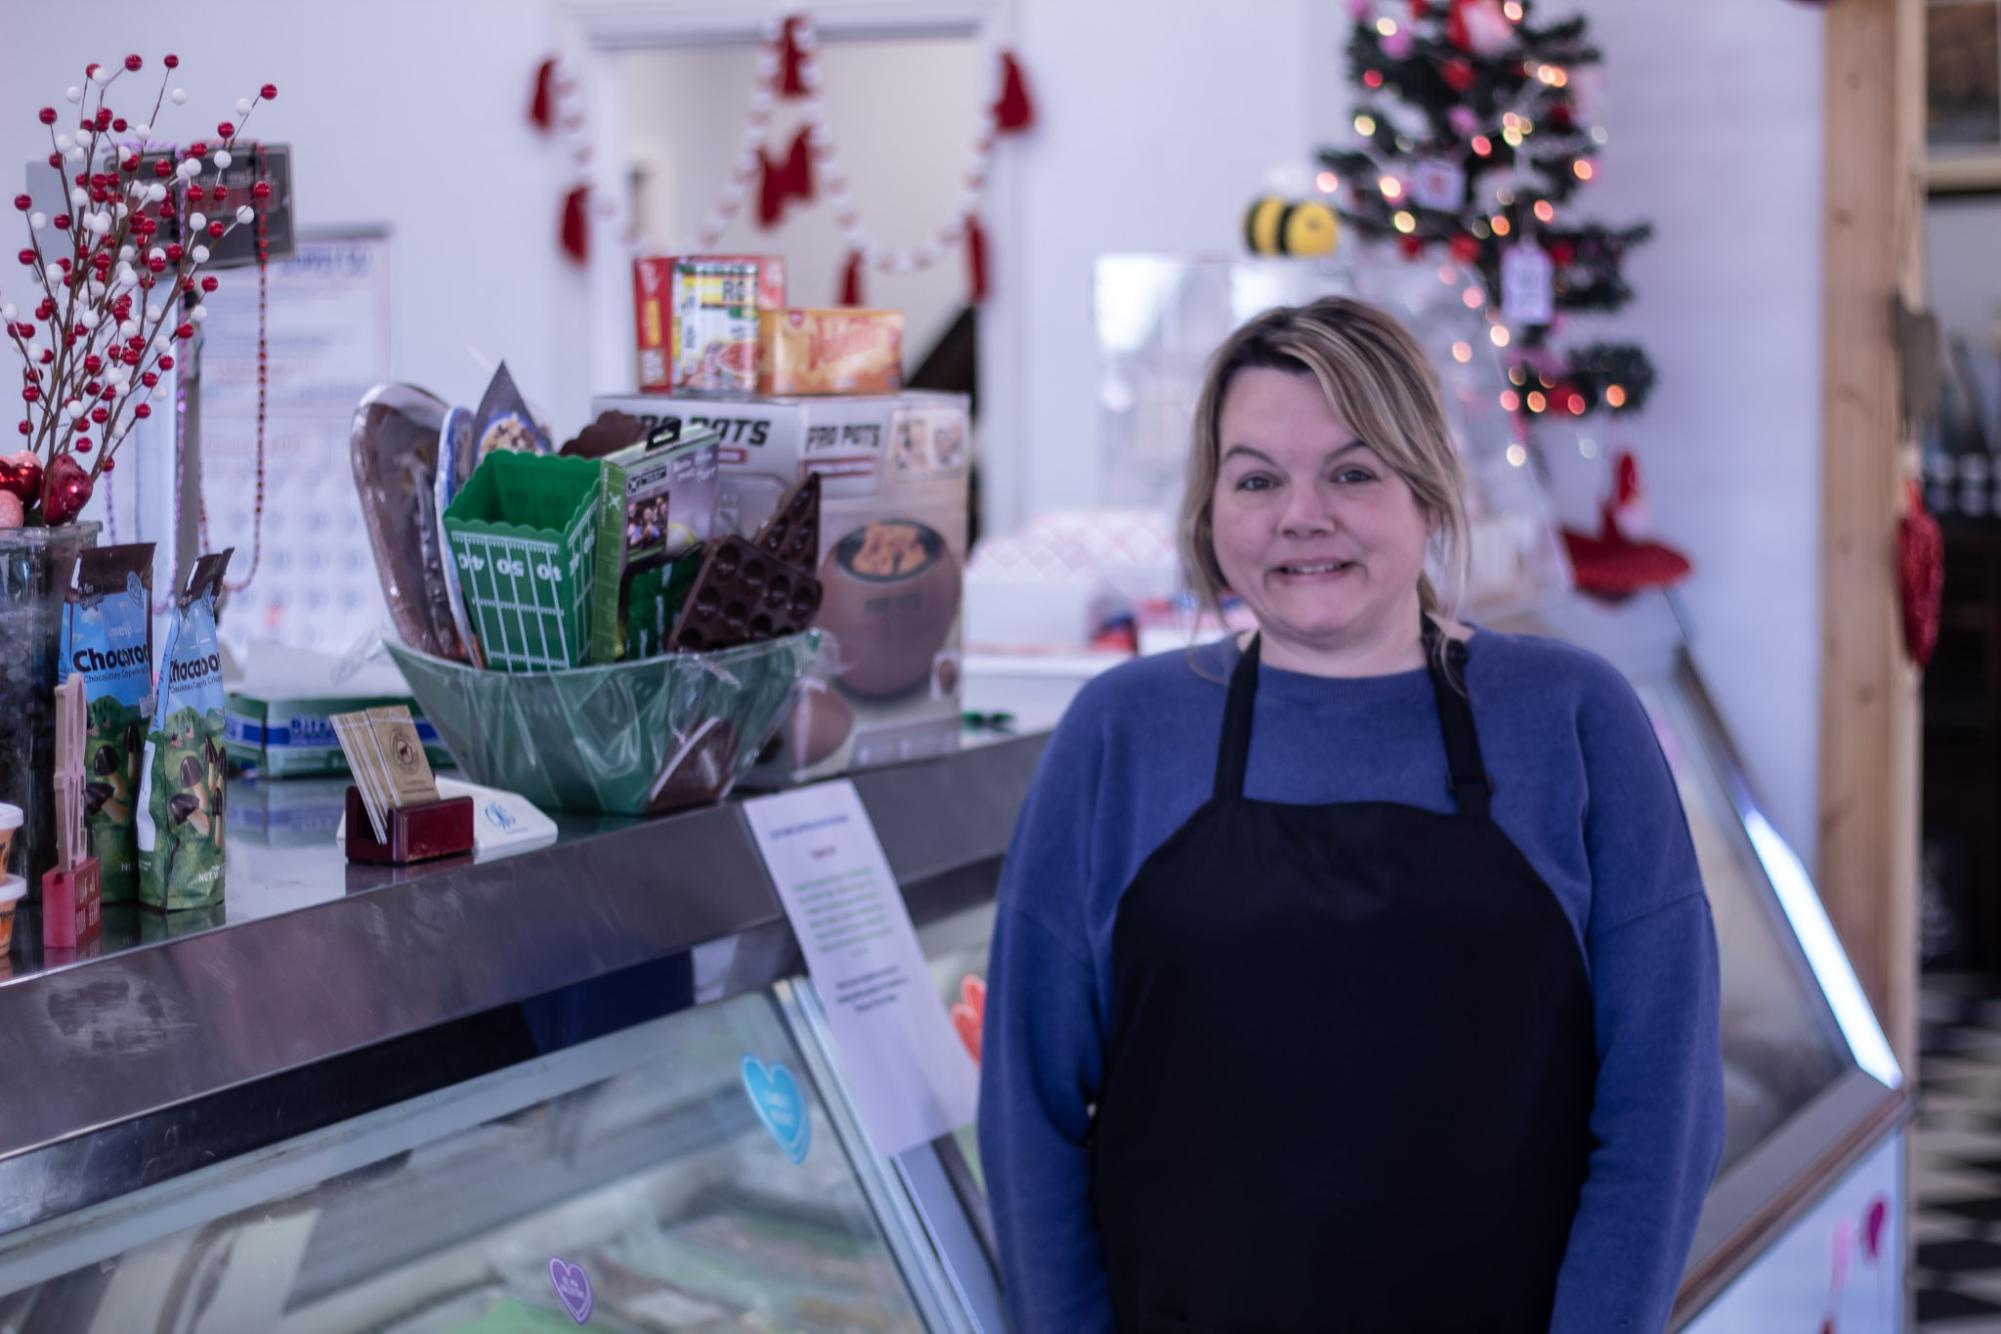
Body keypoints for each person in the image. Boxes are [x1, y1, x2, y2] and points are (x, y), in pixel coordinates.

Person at [978, 297, 1726, 1333]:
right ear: (1209, 512)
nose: (1302, 514)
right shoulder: (1123, 730)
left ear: (1428, 491)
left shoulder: (1572, 716)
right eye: (1256, 478)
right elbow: (1030, 1109)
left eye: (1353, 470)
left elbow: (1661, 1104)